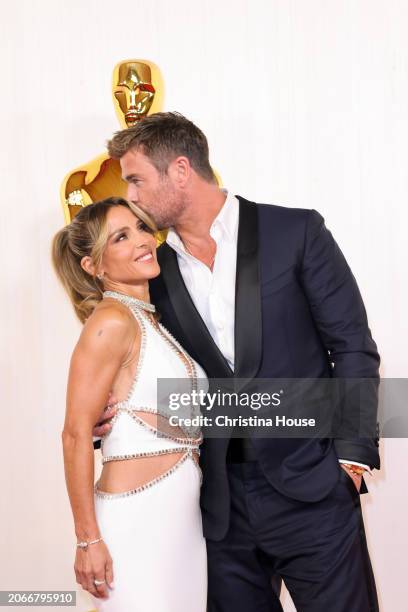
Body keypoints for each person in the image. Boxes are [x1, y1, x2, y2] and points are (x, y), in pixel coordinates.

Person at [93, 112, 381, 612]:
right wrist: (106, 419)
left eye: (136, 179)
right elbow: (151, 371)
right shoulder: (155, 276)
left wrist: (350, 459)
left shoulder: (296, 231)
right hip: (219, 511)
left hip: (314, 492)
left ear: (180, 170)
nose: (131, 195)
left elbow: (351, 345)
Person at [52, 197, 207, 611]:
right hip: (138, 524)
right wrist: (88, 540)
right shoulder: (111, 322)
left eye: (141, 228)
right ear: (94, 266)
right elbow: (74, 435)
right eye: (122, 236)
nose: (143, 240)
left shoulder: (148, 320)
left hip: (182, 528)